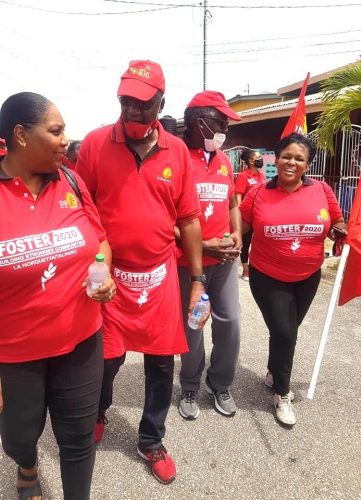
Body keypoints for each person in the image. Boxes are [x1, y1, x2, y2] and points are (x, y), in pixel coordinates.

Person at [76, 60, 206, 485]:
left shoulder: (179, 156)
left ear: (161, 103)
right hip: (110, 279)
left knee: (160, 365)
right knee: (106, 360)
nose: (131, 111)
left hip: (159, 278)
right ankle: (99, 411)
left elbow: (188, 220)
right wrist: (92, 266)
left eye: (142, 103)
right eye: (125, 101)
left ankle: (151, 439)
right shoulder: (95, 144)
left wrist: (198, 281)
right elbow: (79, 208)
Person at [0, 92, 115, 500]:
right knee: (18, 436)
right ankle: (27, 464)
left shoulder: (70, 180)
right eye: (56, 130)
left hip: (81, 340)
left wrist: (104, 275)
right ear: (20, 135)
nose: (66, 140)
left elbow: (99, 237)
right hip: (15, 355)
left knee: (77, 439)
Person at [240, 132, 346, 426]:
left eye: (299, 158)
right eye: (286, 156)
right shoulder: (258, 193)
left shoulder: (322, 190)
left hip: (309, 276)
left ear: (307, 164)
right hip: (268, 275)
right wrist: (228, 245)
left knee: (286, 330)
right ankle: (281, 393)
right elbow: (241, 226)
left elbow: (336, 220)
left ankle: (275, 371)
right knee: (286, 332)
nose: (291, 162)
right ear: (277, 158)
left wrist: (339, 230)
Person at [177, 90, 242, 421]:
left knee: (230, 323)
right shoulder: (175, 159)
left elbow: (232, 203)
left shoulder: (223, 159)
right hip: (189, 266)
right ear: (200, 122)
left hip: (226, 264)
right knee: (193, 325)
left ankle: (219, 383)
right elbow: (164, 222)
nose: (225, 130)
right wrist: (205, 245)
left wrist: (238, 235)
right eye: (222, 122)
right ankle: (189, 384)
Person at [235, 148, 266, 281]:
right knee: (246, 242)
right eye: (258, 158)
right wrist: (240, 213)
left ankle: (258, 268)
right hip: (247, 216)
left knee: (260, 242)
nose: (261, 160)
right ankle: (246, 270)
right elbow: (238, 195)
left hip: (259, 215)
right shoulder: (243, 176)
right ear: (251, 161)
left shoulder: (261, 176)